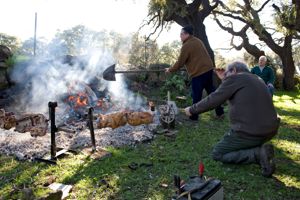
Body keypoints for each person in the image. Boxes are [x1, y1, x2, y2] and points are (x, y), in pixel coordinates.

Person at [184, 61, 280, 177]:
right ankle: (257, 148)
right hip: (270, 130)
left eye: (227, 73)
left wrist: (192, 109)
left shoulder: (236, 79)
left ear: (234, 70)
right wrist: (225, 79)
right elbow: (230, 90)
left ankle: (258, 154)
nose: (225, 76)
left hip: (250, 132)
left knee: (218, 153)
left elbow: (214, 99)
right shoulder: (256, 79)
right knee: (245, 142)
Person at [165, 25, 224, 121]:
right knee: (212, 93)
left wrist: (170, 70)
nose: (180, 36)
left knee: (196, 95)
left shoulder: (187, 45)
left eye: (181, 34)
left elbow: (180, 62)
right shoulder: (197, 40)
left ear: (186, 34)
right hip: (208, 69)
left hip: (199, 72)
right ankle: (220, 113)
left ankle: (194, 116)